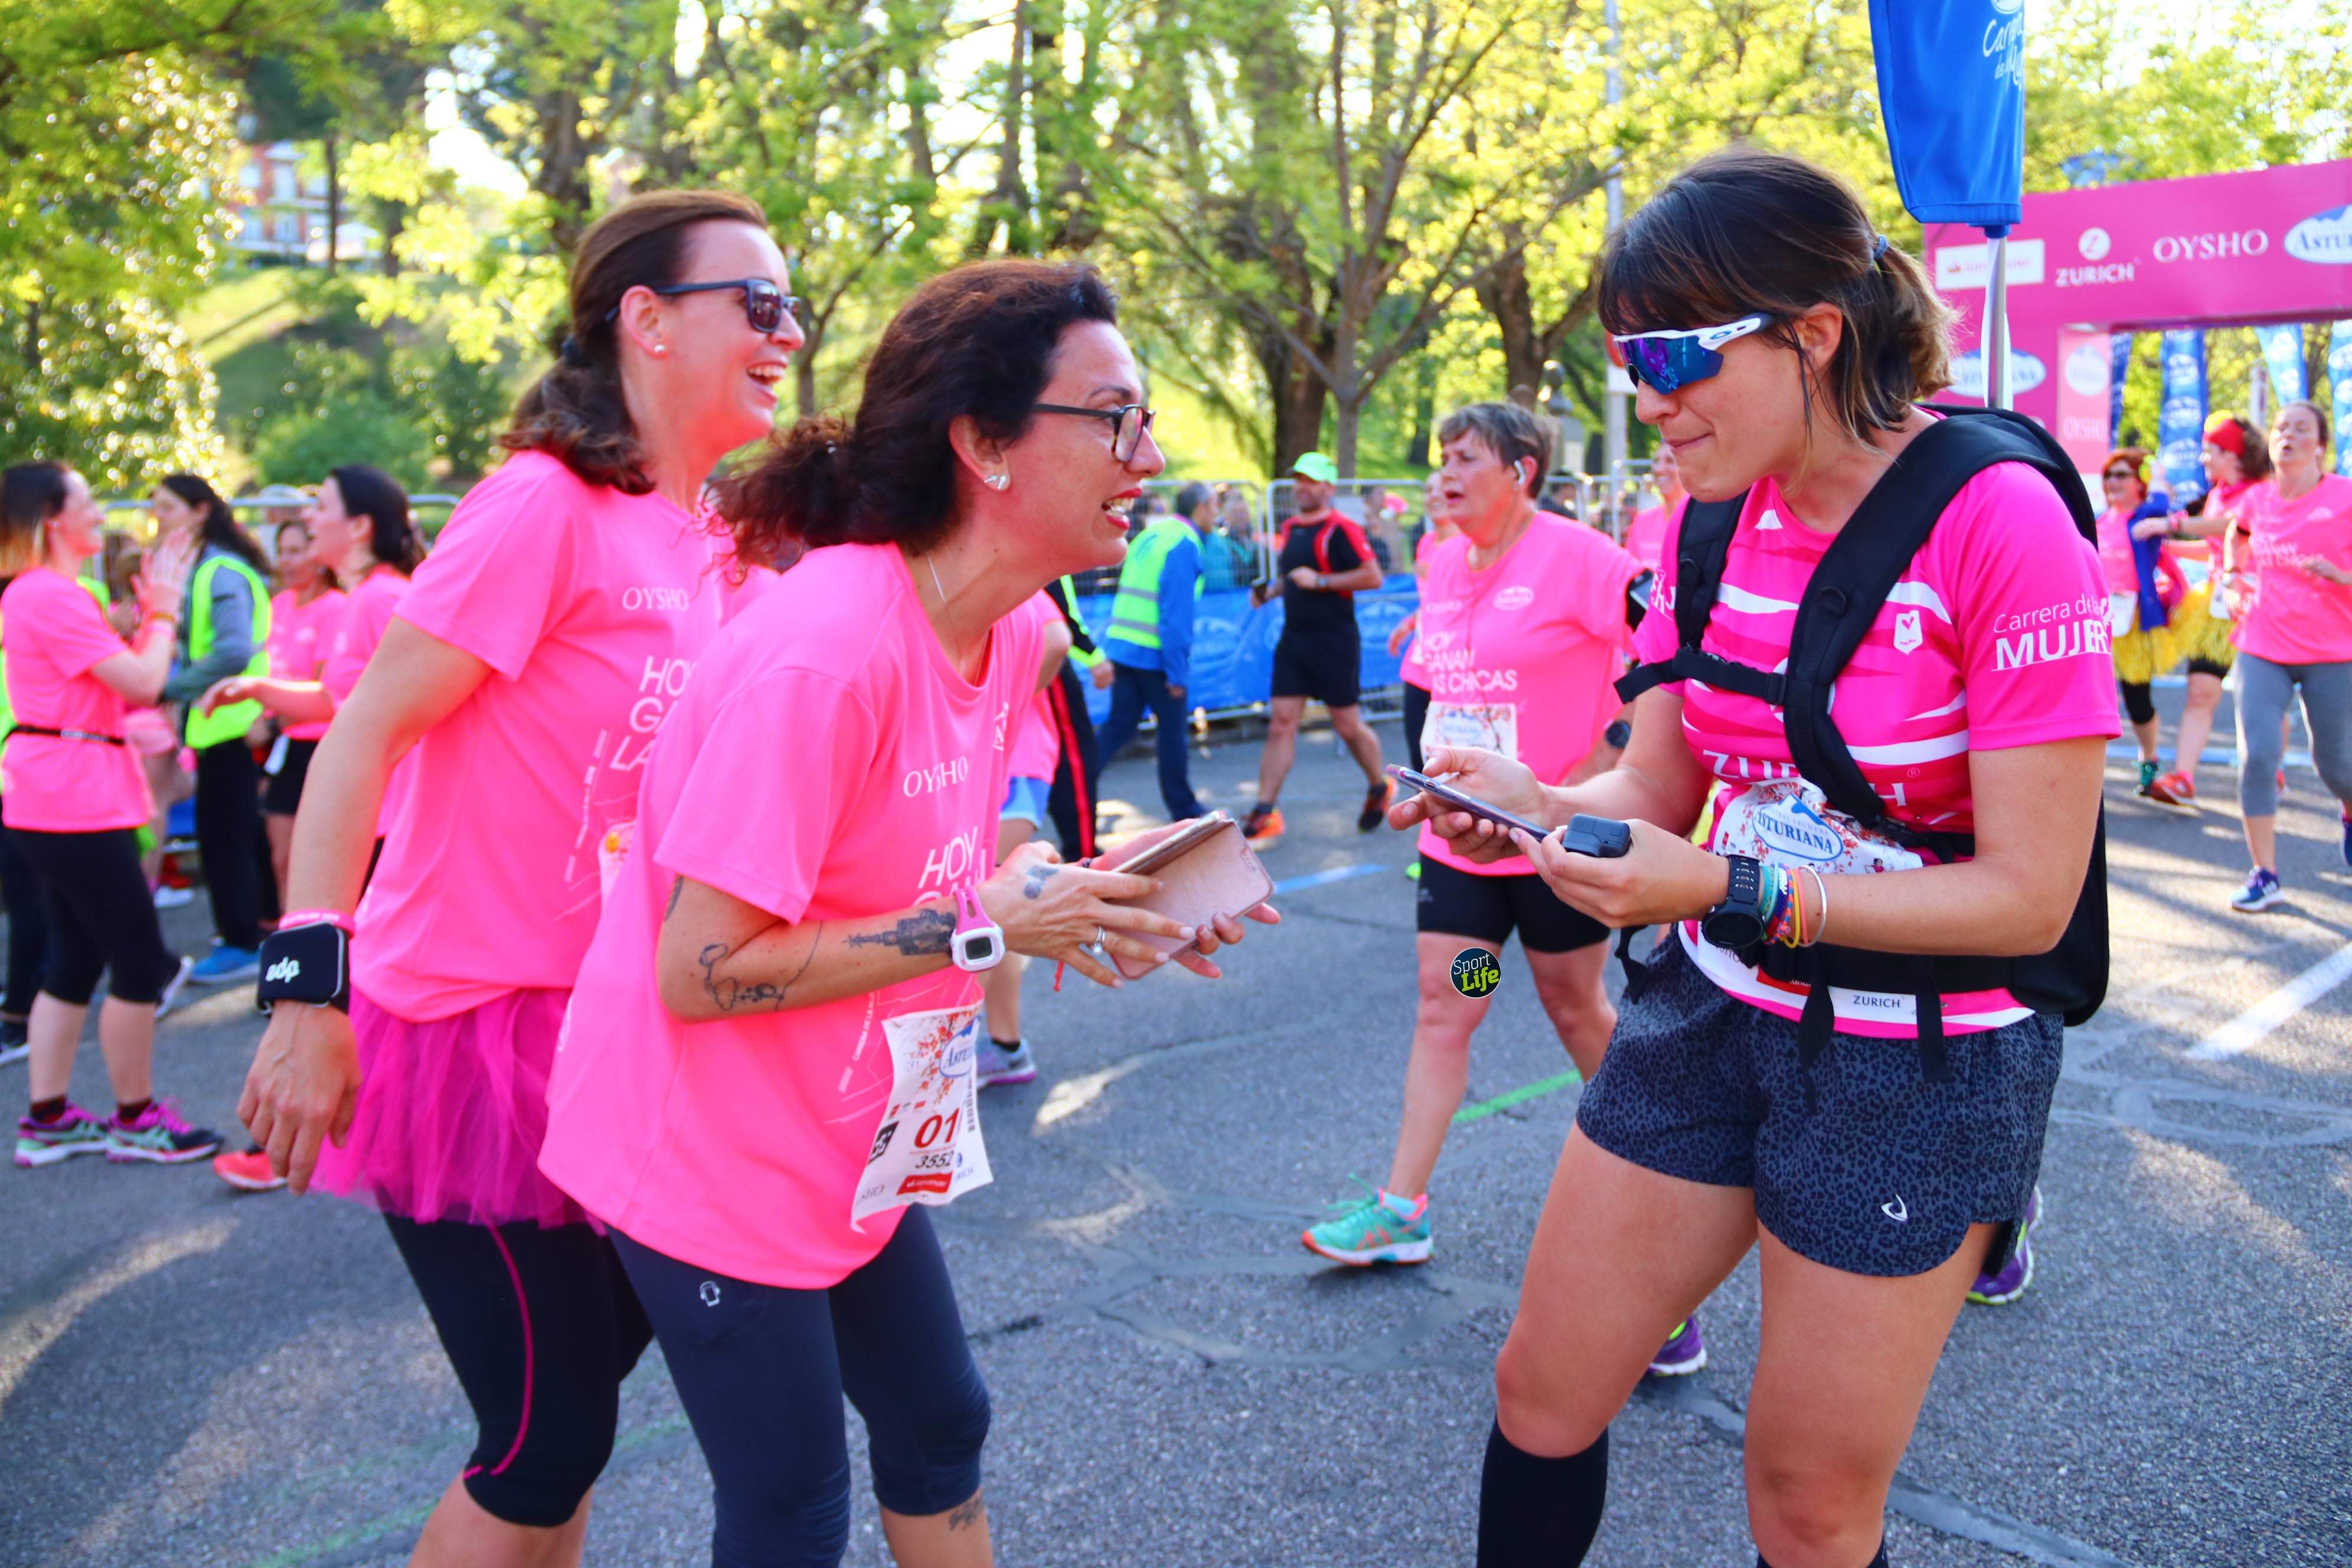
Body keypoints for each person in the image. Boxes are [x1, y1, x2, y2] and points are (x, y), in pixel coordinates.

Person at [1413, 147, 2116, 1568]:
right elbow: (1659, 779)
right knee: (1541, 1391)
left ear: (1814, 332)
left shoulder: (2001, 516)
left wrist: (1732, 885)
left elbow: (2030, 895)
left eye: (1676, 354)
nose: (1647, 396)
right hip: (1713, 1007)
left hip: (1915, 1054)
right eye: (1626, 358)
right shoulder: (1696, 515)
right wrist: (1538, 802)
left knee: (1804, 1507)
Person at [537, 258, 1274, 1568]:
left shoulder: (1010, 625)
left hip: (853, 1124)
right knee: (790, 1500)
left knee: (941, 1418)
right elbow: (700, 966)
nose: (1149, 453)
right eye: (1112, 416)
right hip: (702, 1149)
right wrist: (992, 930)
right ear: (984, 443)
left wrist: (1102, 890)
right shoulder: (823, 654)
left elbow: (968, 848)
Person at [235, 189, 800, 1566]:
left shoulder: (706, 533)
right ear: (648, 322)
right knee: (545, 1436)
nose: (791, 332)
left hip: (623, 1031)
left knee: (563, 1428)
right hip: (470, 1033)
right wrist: (308, 990)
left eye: (796, 305)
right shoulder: (542, 505)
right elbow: (364, 732)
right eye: (762, 303)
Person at [1302, 405, 1651, 1317]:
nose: (1446, 474)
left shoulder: (1578, 557)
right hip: (1460, 853)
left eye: (1466, 459)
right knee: (1450, 999)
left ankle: (1660, 1193)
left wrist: (1611, 761)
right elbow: (1440, 676)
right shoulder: (1441, 557)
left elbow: (1664, 643)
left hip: (1551, 849)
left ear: (1522, 471)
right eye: (1442, 458)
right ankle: (1399, 1210)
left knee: (1574, 1007)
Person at [4, 462, 214, 1166]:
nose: (102, 512)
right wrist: (161, 609)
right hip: (72, 800)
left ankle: (50, 1117)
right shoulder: (48, 594)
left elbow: (116, 691)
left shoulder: (48, 594)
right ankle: (135, 1118)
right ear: (50, 521)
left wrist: (133, 620)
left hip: (64, 792)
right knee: (137, 960)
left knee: (74, 958)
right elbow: (146, 683)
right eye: (88, 502)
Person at [2219, 399, 2352, 913]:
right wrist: (2232, 577)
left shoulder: (2343, 497)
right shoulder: (2258, 498)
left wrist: (2343, 576)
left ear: (2320, 444)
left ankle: (2348, 810)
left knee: (2337, 766)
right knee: (2257, 758)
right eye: (2280, 427)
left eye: (2301, 429)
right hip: (2262, 645)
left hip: (2332, 650)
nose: (2287, 435)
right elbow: (2238, 534)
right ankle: (2264, 874)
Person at [149, 473, 273, 985]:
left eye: (168, 508)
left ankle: (243, 942)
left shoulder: (218, 571)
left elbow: (232, 649)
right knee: (236, 836)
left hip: (236, 722)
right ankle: (249, 934)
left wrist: (167, 689)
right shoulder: (210, 569)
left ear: (201, 512)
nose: (158, 519)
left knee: (226, 840)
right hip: (225, 723)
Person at [1242, 452, 1393, 845]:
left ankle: (1379, 786)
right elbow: (1293, 578)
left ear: (1328, 487)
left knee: (1346, 726)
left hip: (1334, 641)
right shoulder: (1291, 528)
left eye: (1310, 481)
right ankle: (1265, 811)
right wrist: (1269, 591)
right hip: (1295, 640)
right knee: (1281, 723)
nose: (1302, 487)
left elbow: (1373, 576)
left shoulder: (1341, 529)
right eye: (1298, 480)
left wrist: (1322, 581)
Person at [2135, 414, 2272, 806]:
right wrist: (2168, 548)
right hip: (2215, 607)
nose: (2204, 458)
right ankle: (2183, 778)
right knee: (2200, 692)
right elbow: (2214, 547)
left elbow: (2229, 526)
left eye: (2210, 450)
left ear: (2234, 454)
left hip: (2255, 605)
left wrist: (2171, 522)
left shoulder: (2262, 492)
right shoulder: (2218, 492)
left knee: (2262, 698)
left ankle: (2270, 765)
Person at [978, 589, 1075, 1087]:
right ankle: (1002, 1045)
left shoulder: (1005, 571)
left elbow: (1056, 640)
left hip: (1010, 765)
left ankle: (988, 1047)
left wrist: (997, 711)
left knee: (978, 915)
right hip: (1007, 763)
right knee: (992, 916)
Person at [1096, 480, 1207, 823]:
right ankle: (1185, 810)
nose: (1215, 513)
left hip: (1124, 646)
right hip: (1155, 655)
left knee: (1119, 726)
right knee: (1172, 733)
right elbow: (1175, 618)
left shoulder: (1153, 535)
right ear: (1201, 509)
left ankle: (1072, 786)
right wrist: (1177, 673)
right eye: (1214, 506)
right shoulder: (1184, 543)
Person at [257, 515, 347, 907]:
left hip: (320, 747)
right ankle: (287, 953)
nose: (286, 560)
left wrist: (274, 715)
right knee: (283, 859)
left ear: (318, 555)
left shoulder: (336, 608)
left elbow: (329, 693)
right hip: (281, 747)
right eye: (282, 551)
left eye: (296, 550)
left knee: (321, 864)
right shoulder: (278, 605)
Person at [2093, 449, 2186, 793]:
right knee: (2092, 701)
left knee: (2137, 700)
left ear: (2139, 482)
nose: (2113, 482)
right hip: (2096, 624)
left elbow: (2162, 507)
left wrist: (2158, 474)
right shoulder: (2099, 520)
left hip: (2133, 624)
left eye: (2121, 475)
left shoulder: (2146, 519)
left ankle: (2149, 762)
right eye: (2109, 475)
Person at [1391, 475, 1461, 776]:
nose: (1433, 495)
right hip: (1420, 663)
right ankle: (1432, 822)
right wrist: (1409, 624)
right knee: (1419, 758)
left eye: (1441, 489)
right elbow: (1430, 602)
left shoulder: (1471, 546)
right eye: (1428, 489)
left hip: (1457, 665)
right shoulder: (1427, 542)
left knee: (1453, 761)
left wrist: (1441, 575)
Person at [1621, 440, 1685, 571]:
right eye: (1656, 461)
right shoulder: (1642, 522)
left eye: (1670, 461)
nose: (1659, 469)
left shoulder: (1703, 520)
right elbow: (1632, 576)